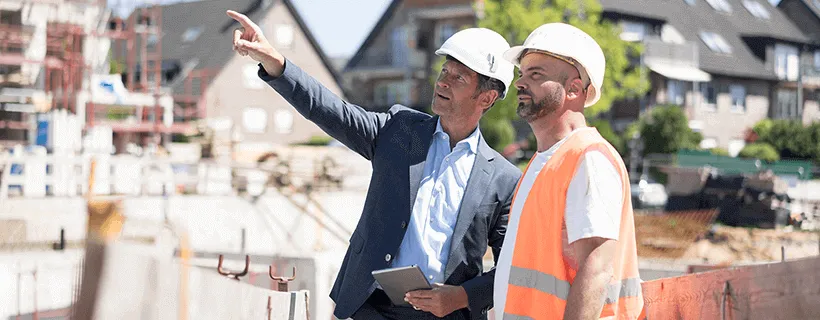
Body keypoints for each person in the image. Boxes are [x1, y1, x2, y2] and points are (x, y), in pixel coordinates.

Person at [226, 10, 521, 320]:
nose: (443, 82)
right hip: (372, 307)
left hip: (446, 315)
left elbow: (511, 267)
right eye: (444, 71)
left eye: (458, 77)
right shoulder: (398, 130)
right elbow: (329, 110)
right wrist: (275, 62)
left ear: (486, 98)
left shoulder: (503, 179)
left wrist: (461, 297)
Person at [492, 23, 644, 319]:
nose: (520, 83)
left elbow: (596, 268)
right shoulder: (544, 162)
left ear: (574, 89)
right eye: (521, 74)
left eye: (536, 74)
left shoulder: (589, 158)